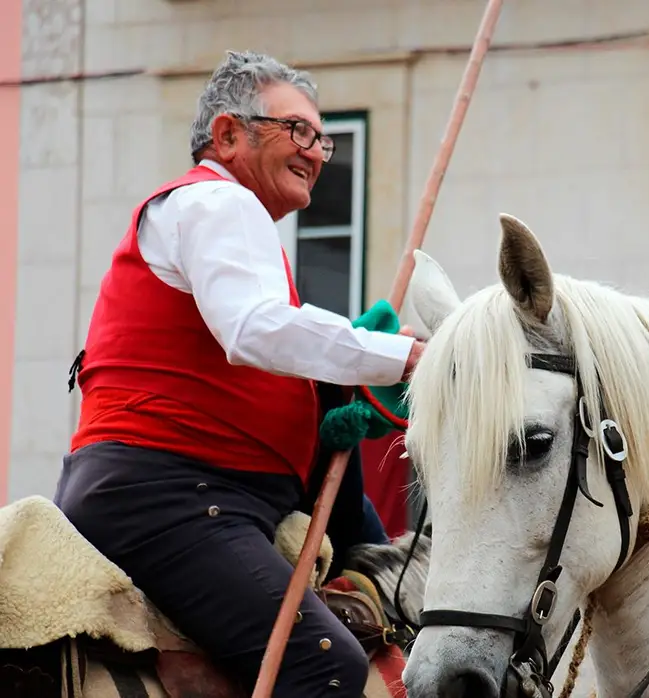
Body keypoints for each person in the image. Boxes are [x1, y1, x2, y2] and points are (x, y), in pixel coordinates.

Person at [53, 51, 420, 697]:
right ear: (228, 134)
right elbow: (254, 329)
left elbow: (265, 337)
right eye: (297, 130)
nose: (315, 151)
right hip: (174, 499)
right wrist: (402, 356)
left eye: (323, 140)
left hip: (194, 497)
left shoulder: (226, 226)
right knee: (322, 664)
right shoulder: (218, 201)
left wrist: (339, 390)